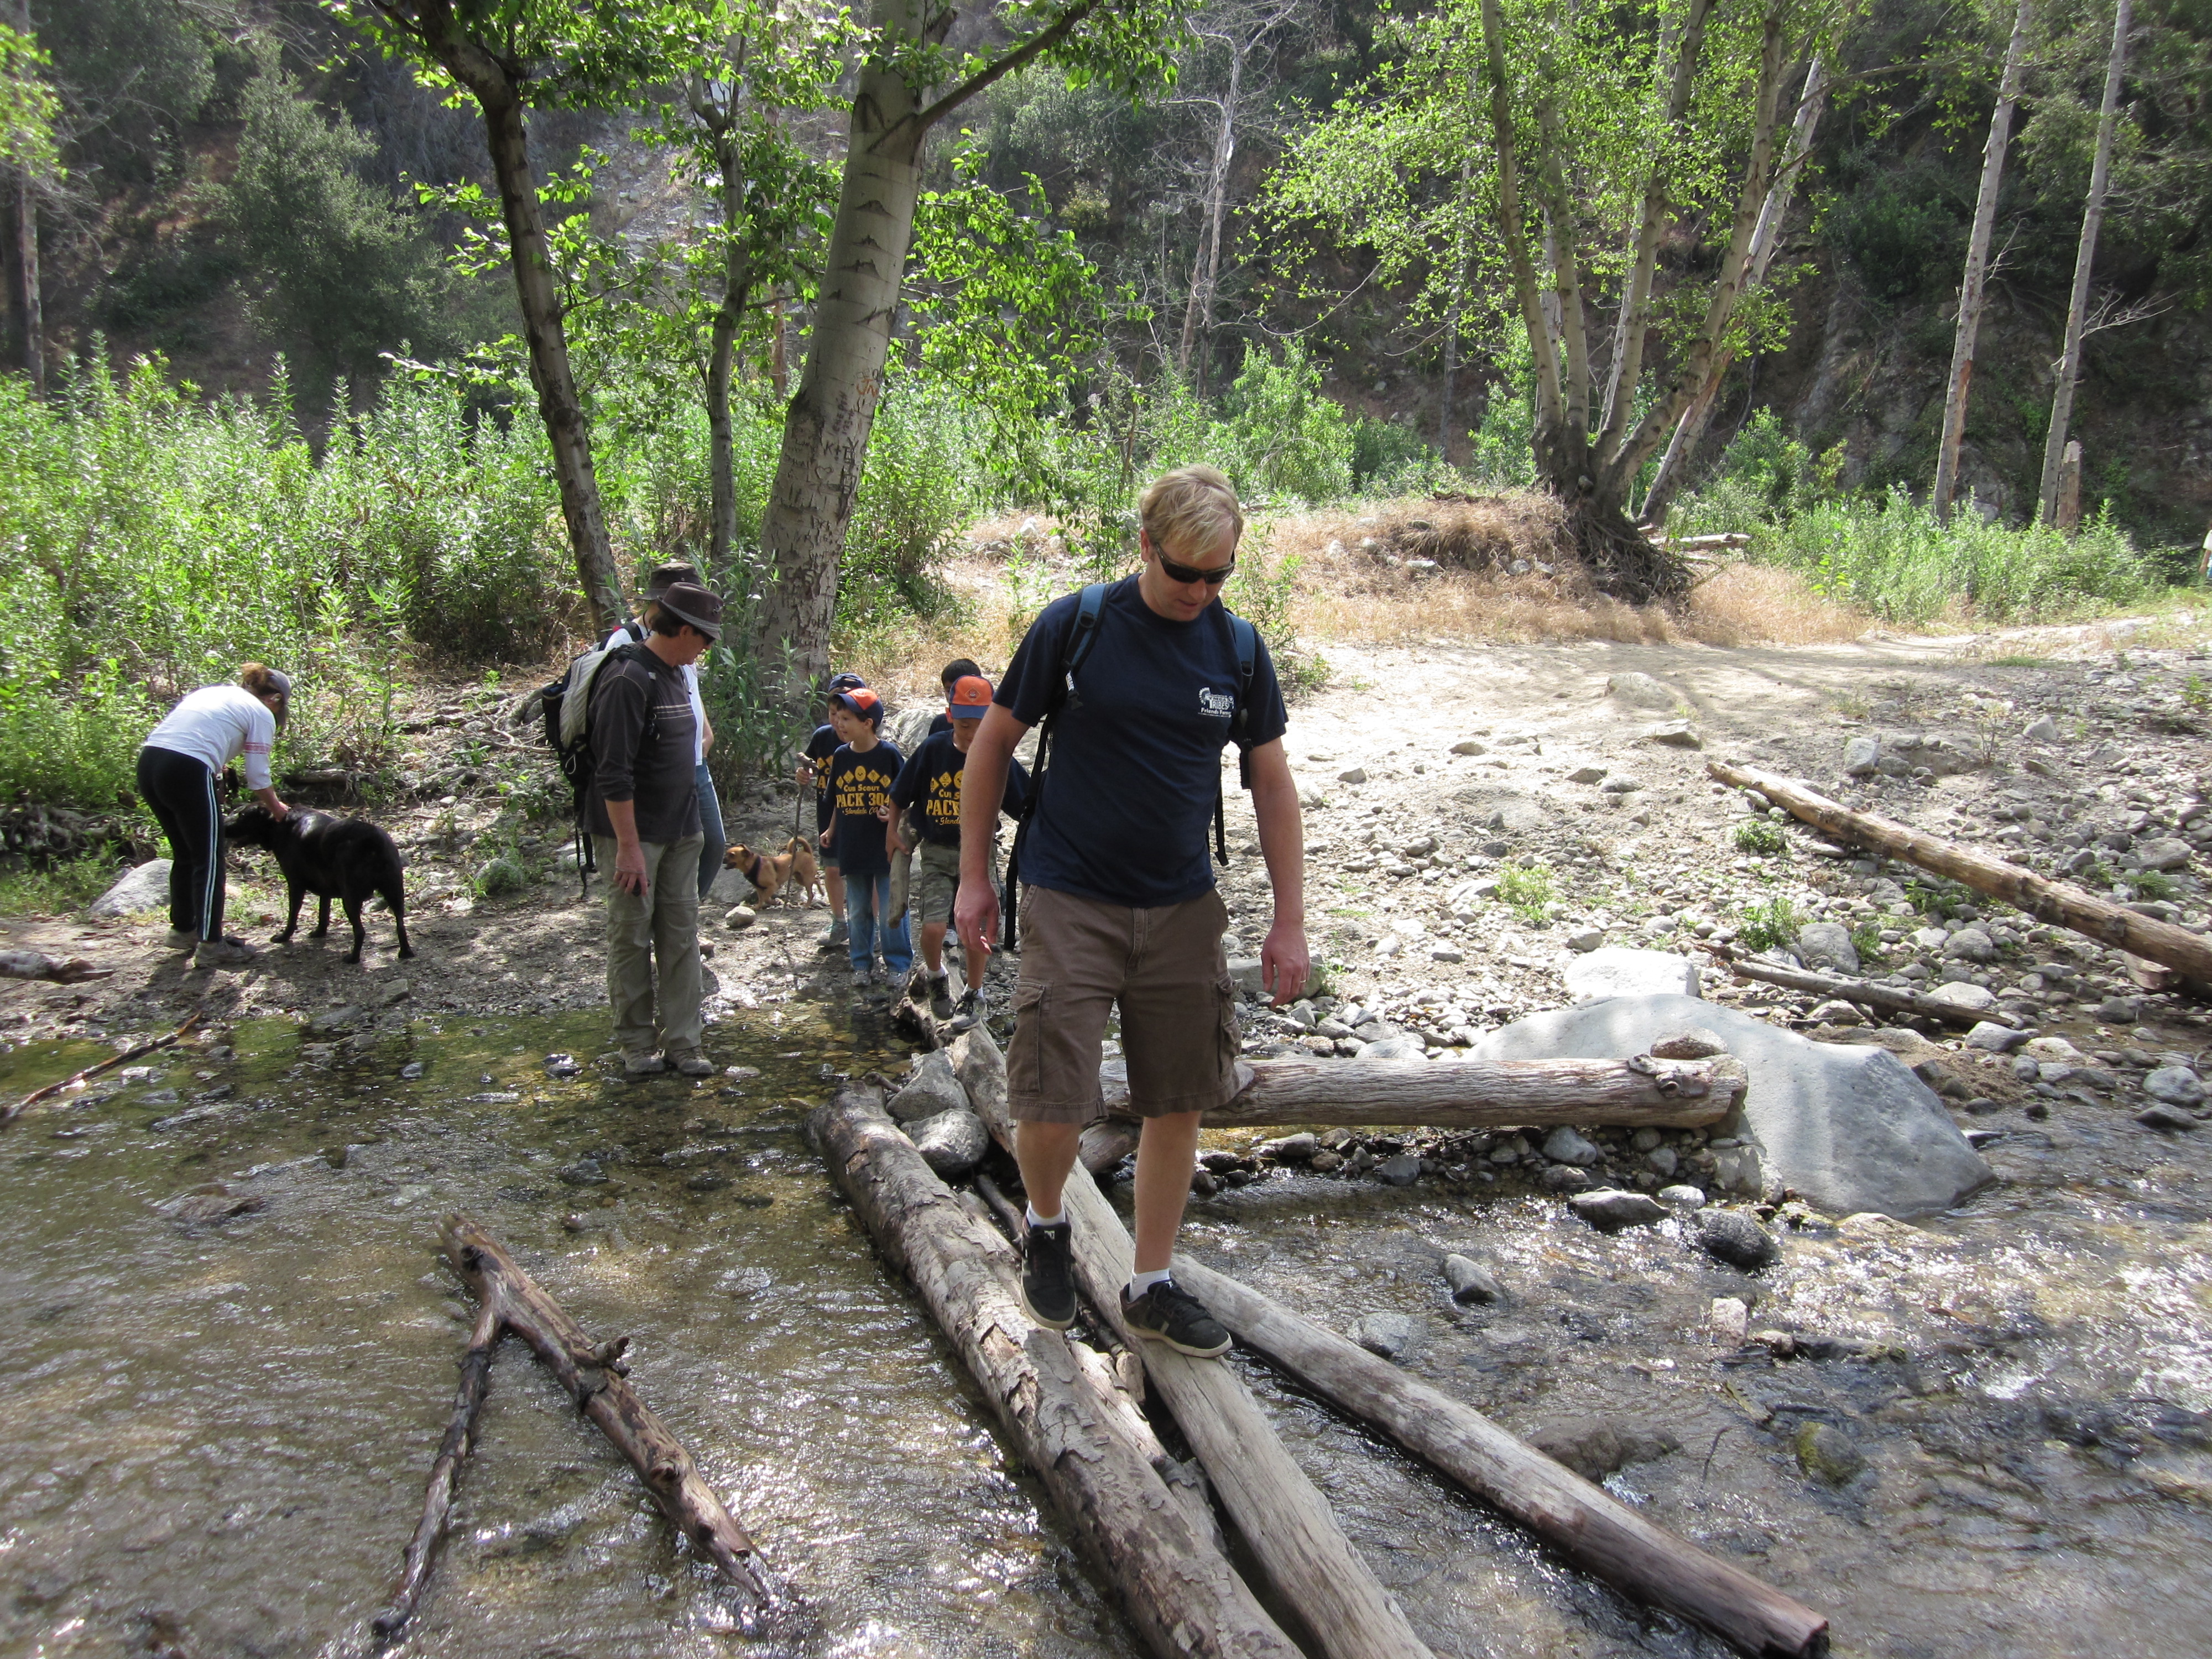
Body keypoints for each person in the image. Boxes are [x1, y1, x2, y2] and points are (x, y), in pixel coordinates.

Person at [955, 464, 1307, 1359]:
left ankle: (1151, 1284)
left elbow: (1271, 784)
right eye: (1184, 571)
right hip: (1070, 894)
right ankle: (1046, 1224)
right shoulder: (1075, 626)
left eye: (1218, 575)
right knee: (1051, 1094)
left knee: (1178, 1100)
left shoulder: (1237, 649)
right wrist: (974, 878)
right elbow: (993, 745)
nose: (1200, 591)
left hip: (1183, 907)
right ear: (1145, 546)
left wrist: (1290, 919)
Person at [587, 580, 720, 1077]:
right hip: (633, 836)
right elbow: (612, 771)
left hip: (681, 828)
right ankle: (636, 1044)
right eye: (705, 639)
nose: (706, 649)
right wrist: (627, 848)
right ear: (683, 630)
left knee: (681, 936)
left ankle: (685, 1044)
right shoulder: (627, 678)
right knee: (631, 936)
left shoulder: (677, 674)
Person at [889, 674, 1027, 1025]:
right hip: (937, 851)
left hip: (980, 853)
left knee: (975, 931)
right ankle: (936, 977)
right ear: (950, 715)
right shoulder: (933, 750)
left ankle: (974, 993)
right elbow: (900, 793)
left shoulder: (998, 756)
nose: (972, 733)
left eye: (980, 725)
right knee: (934, 927)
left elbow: (1026, 805)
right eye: (965, 725)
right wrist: (892, 832)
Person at [137, 663, 294, 969]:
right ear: (275, 699)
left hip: (151, 762)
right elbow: (258, 777)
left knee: (186, 853)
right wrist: (277, 809)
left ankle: (184, 929)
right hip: (188, 768)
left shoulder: (215, 693)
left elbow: (198, 734)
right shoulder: (261, 713)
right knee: (209, 859)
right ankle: (211, 944)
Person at [606, 562, 724, 901]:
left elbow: (690, 690)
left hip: (692, 763)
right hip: (649, 773)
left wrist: (705, 733)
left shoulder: (686, 642)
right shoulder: (628, 645)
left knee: (710, 844)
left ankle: (684, 913)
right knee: (651, 862)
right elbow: (615, 739)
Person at [819, 685, 911, 990]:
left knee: (890, 909)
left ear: (867, 723)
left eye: (847, 718)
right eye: (838, 717)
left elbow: (905, 796)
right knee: (858, 909)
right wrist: (832, 830)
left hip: (885, 846)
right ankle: (861, 964)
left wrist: (894, 815)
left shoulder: (888, 754)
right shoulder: (841, 756)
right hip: (853, 844)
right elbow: (838, 798)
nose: (839, 723)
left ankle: (898, 964)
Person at [797, 671, 867, 950]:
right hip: (827, 812)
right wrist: (803, 774)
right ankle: (839, 921)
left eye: (846, 712)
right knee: (832, 868)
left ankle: (869, 925)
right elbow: (808, 764)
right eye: (833, 712)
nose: (838, 720)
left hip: (861, 815)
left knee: (865, 872)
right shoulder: (823, 737)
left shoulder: (866, 740)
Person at [925, 658, 984, 738]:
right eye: (949, 691)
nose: (952, 697)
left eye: (959, 691)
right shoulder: (940, 723)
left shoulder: (989, 724)